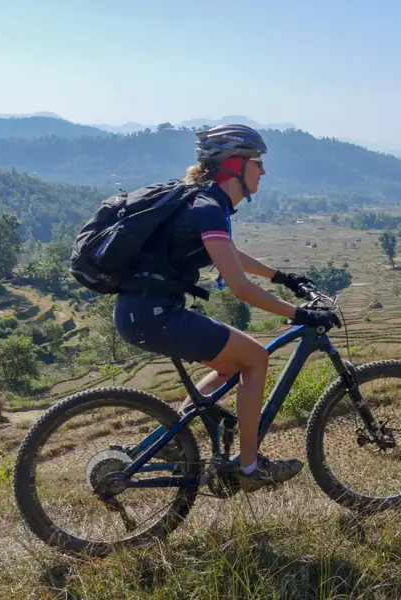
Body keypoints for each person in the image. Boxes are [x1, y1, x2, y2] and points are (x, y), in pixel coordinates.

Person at [112, 124, 340, 493]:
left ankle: (175, 436)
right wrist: (299, 314)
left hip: (144, 313)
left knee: (232, 364)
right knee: (255, 358)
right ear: (236, 165)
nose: (263, 171)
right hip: (155, 316)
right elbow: (240, 287)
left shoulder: (203, 201)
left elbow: (228, 254)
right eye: (257, 163)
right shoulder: (209, 208)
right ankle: (249, 468)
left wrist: (283, 277)